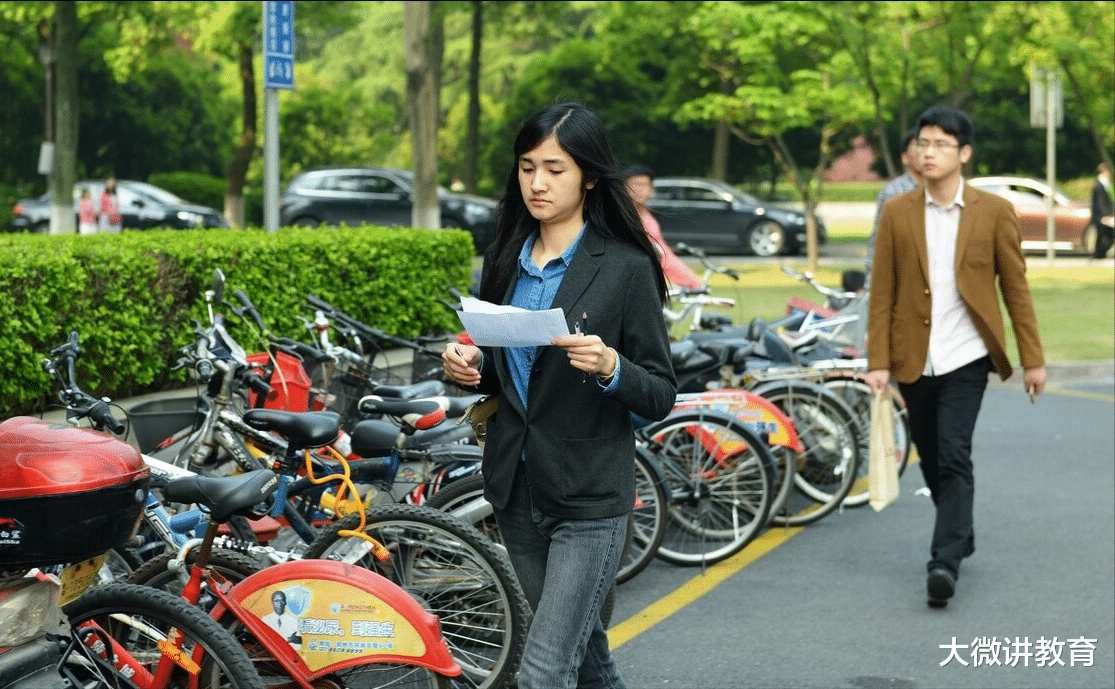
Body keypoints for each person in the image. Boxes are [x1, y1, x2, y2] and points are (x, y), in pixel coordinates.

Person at [441, 102, 677, 688]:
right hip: (516, 486)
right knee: (588, 657)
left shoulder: (624, 267)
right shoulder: (503, 260)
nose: (538, 183)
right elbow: (507, 371)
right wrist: (470, 364)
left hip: (589, 497)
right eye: (527, 167)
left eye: (555, 168)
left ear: (589, 176)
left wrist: (610, 365)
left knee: (543, 672)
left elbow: (660, 392)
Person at [865, 105, 1047, 609]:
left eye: (941, 144)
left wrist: (1033, 358)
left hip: (967, 357)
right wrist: (877, 360)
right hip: (911, 358)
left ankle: (943, 561)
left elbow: (1016, 289)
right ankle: (960, 531)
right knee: (931, 455)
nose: (928, 152)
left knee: (953, 451)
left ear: (964, 153)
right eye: (923, 143)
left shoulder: (993, 211)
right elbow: (883, 292)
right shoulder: (898, 212)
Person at [623, 164, 702, 290]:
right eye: (635, 184)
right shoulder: (620, 217)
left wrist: (692, 281)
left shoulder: (648, 218)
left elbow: (665, 254)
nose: (639, 190)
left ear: (652, 190)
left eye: (644, 185)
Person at [866, 128, 924, 286]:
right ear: (905, 158)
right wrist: (871, 281)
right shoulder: (893, 192)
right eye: (917, 146)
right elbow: (879, 238)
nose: (924, 151)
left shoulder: (942, 190)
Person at [1090, 161, 1113, 259]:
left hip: (1103, 215)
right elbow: (1101, 202)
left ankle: (1098, 255)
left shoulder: (1105, 185)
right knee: (1106, 236)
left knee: (1102, 237)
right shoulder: (1099, 185)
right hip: (1101, 216)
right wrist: (1106, 215)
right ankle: (1098, 255)